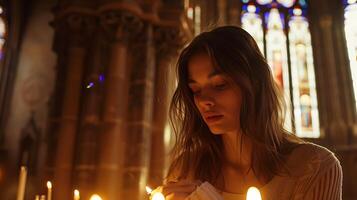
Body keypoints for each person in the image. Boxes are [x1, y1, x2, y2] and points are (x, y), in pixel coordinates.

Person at [158, 26, 342, 200]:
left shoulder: (314, 168)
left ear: (255, 85)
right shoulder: (186, 168)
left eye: (219, 85)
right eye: (196, 90)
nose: (204, 101)